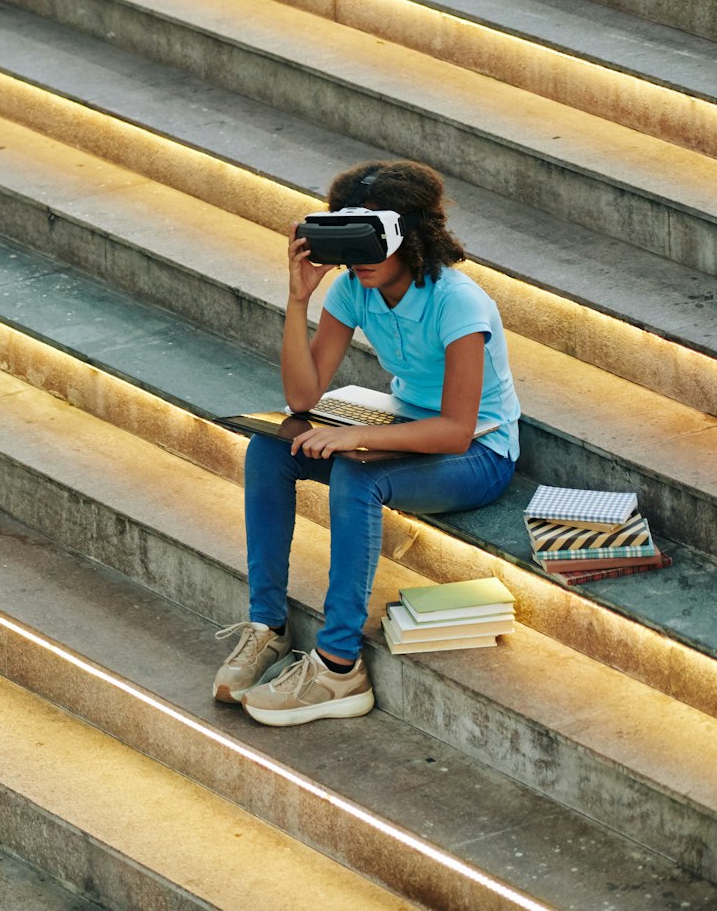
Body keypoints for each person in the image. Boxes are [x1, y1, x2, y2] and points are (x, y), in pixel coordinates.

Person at [213, 160, 519, 726]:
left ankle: (338, 666)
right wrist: (299, 299)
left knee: (358, 475)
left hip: (478, 454)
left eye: (374, 241)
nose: (362, 259)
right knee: (270, 451)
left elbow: (455, 429)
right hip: (397, 428)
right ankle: (268, 627)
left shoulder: (459, 302)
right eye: (350, 243)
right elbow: (302, 398)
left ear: (412, 236)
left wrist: (355, 437)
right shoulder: (354, 289)